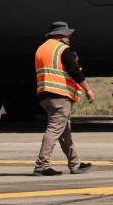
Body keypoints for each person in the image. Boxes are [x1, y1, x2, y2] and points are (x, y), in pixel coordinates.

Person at [33, 21, 95, 176]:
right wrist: (87, 89)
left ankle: (75, 164)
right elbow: (74, 72)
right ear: (60, 35)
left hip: (45, 95)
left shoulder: (41, 49)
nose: (69, 38)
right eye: (67, 35)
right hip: (60, 95)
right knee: (54, 130)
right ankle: (41, 166)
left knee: (64, 132)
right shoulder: (62, 49)